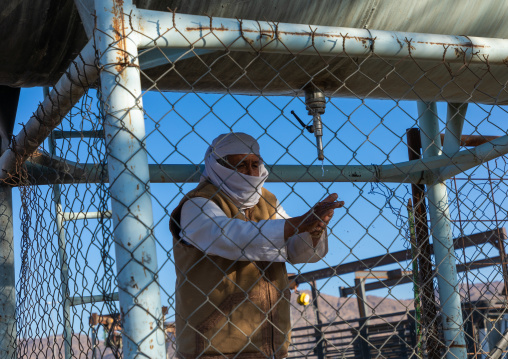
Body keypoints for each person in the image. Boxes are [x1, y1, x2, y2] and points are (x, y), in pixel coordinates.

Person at [169, 133, 344, 359]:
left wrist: (313, 229)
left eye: (255, 164)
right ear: (218, 166)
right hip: (212, 346)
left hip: (269, 344)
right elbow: (229, 237)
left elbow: (296, 250)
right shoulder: (198, 203)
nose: (251, 173)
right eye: (240, 165)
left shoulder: (268, 201)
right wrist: (297, 224)